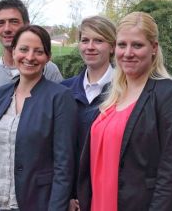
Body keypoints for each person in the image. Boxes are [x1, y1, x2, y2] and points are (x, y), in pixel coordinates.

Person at [77, 12, 172, 211]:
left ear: (154, 48)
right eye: (122, 45)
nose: (128, 53)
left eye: (137, 45)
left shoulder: (169, 95)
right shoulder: (110, 93)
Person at [0, 25, 77, 211]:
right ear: (14, 51)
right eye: (24, 49)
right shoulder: (1, 94)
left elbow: (63, 165)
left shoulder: (59, 97)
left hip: (32, 202)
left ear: (48, 57)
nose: (30, 57)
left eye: (38, 51)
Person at [0, 0, 63, 167]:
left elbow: (61, 133)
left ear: (27, 25)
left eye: (13, 21)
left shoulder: (49, 71)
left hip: (36, 180)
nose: (7, 29)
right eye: (1, 23)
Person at [61, 15, 116, 211]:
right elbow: (60, 151)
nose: (90, 46)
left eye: (98, 40)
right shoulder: (63, 91)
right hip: (74, 199)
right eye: (85, 40)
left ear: (112, 46)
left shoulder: (125, 91)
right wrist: (66, 195)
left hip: (111, 195)